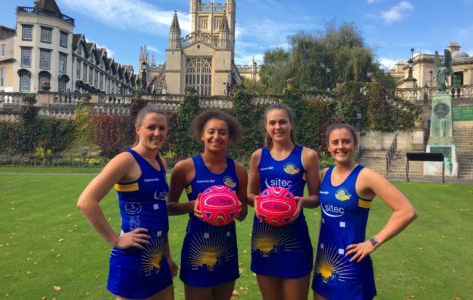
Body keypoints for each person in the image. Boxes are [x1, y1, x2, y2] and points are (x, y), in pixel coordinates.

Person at [77, 106, 177, 300]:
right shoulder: (126, 160)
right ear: (138, 129)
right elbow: (86, 201)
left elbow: (159, 215)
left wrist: (167, 255)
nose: (157, 133)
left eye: (162, 128)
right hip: (133, 257)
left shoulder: (160, 162)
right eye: (151, 127)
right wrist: (116, 240)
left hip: (158, 257)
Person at [312, 123, 418, 300]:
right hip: (324, 262)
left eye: (346, 141)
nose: (340, 146)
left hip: (351, 264)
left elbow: (406, 211)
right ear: (328, 147)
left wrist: (373, 242)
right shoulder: (324, 175)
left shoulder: (366, 176)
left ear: (355, 144)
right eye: (335, 142)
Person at [167, 109, 248, 300]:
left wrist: (235, 209)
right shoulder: (185, 168)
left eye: (222, 132)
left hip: (227, 249)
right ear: (202, 134)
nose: (216, 136)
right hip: (197, 250)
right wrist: (193, 205)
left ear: (229, 137)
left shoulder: (238, 170)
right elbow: (169, 206)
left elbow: (243, 214)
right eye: (211, 131)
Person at [248, 103, 320, 300]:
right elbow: (250, 195)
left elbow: (316, 198)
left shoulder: (308, 155)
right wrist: (261, 202)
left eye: (282, 122)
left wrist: (301, 201)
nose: (277, 127)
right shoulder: (258, 156)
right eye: (272, 123)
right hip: (264, 237)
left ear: (291, 124)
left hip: (295, 238)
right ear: (266, 127)